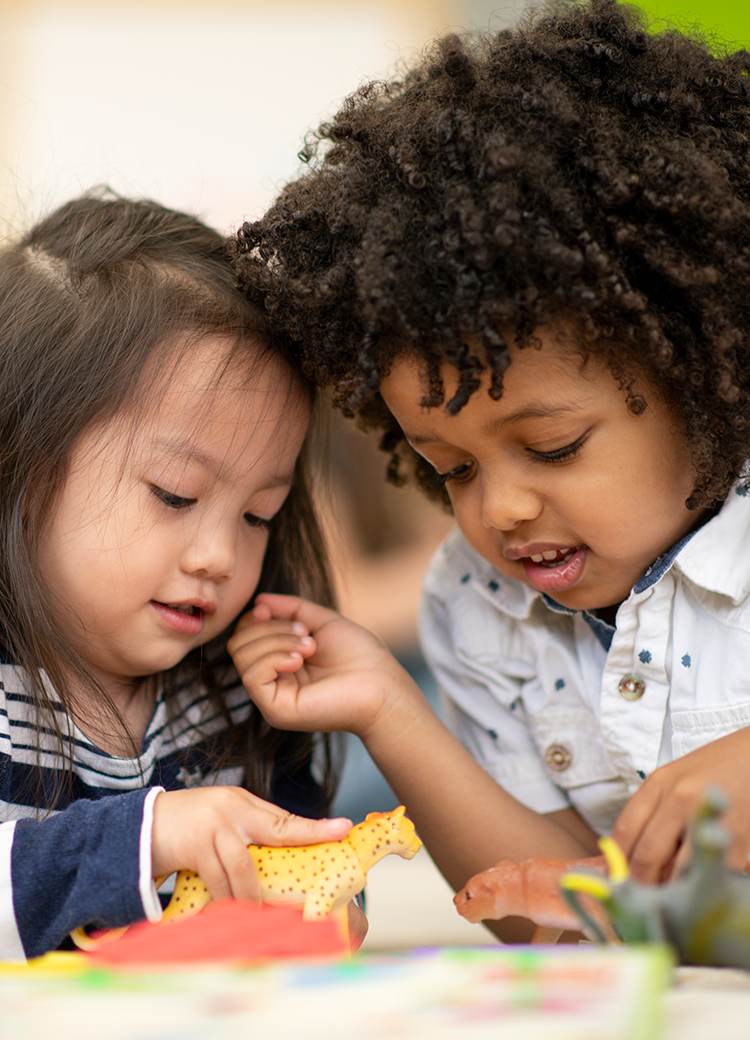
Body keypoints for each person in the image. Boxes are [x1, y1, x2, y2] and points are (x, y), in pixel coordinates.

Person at [228, 0, 750, 942]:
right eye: (452, 469)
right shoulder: (476, 602)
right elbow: (540, 912)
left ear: (703, 378)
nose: (501, 507)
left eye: (554, 447)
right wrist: (389, 706)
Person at [0, 192, 356, 961]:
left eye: (259, 514)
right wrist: (144, 838)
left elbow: (304, 872)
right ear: (26, 468)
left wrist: (319, 895)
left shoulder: (232, 693)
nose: (219, 556)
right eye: (175, 495)